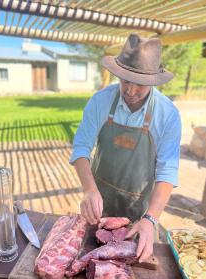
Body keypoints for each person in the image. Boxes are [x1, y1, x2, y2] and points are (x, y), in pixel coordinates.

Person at [70, 33, 181, 262]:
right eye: (125, 80)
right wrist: (89, 190)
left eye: (139, 84)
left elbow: (167, 171)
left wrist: (151, 219)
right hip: (99, 203)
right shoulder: (100, 101)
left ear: (153, 81)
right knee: (89, 260)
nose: (130, 90)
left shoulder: (168, 114)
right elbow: (81, 147)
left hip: (140, 208)